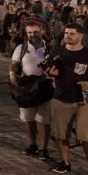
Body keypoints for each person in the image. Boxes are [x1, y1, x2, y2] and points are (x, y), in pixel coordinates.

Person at [48, 23, 88, 175]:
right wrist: (51, 73)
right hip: (61, 97)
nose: (68, 36)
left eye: (72, 33)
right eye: (66, 33)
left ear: (80, 35)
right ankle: (64, 162)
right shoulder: (57, 51)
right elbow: (50, 70)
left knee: (86, 135)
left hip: (84, 101)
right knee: (60, 134)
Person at [9, 20, 53, 161]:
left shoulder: (50, 48)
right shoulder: (21, 48)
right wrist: (12, 73)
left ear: (42, 32)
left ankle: (43, 148)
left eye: (35, 32)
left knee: (44, 119)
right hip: (28, 86)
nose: (32, 35)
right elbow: (14, 62)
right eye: (29, 32)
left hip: (46, 86)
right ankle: (32, 144)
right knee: (28, 118)